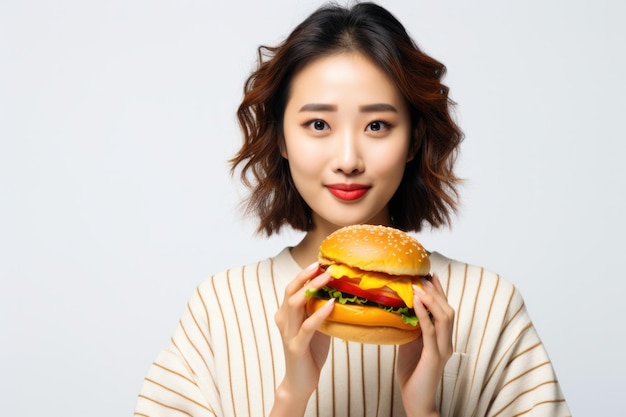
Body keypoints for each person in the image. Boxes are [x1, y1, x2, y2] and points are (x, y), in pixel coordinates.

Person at [134, 2, 571, 416]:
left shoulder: (489, 303)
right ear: (282, 139)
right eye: (318, 124)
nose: (348, 158)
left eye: (377, 125)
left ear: (414, 140)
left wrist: (425, 409)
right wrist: (291, 397)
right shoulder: (218, 307)